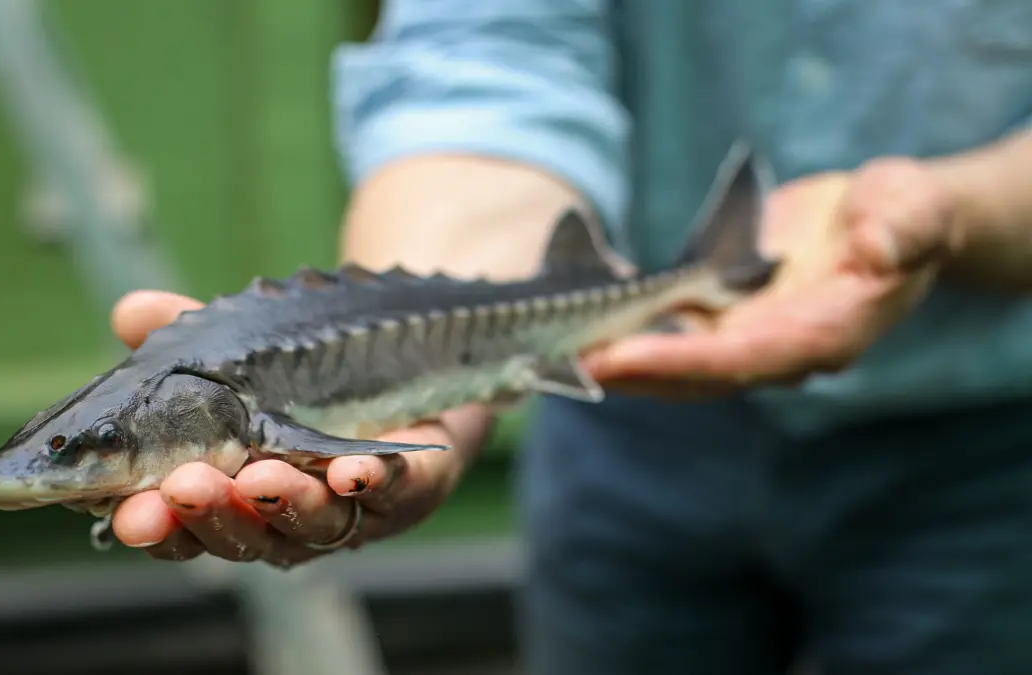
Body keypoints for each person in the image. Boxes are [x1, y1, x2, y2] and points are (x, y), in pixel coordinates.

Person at [108, 2, 1032, 673]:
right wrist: (436, 357)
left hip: (989, 444)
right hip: (622, 417)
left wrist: (956, 212)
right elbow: (487, 51)